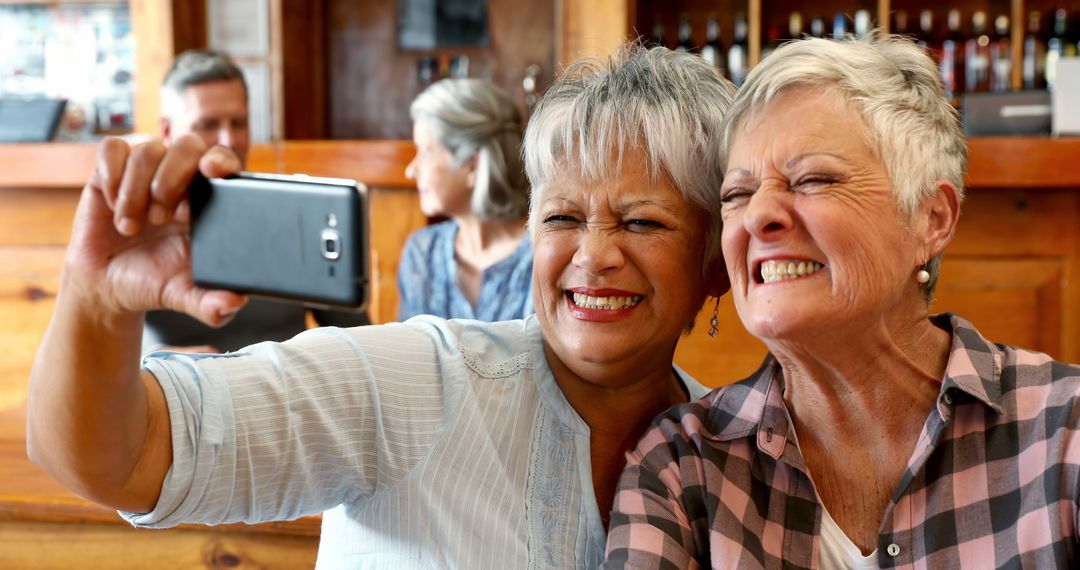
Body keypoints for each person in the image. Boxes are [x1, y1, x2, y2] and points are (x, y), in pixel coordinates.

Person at [26, 44, 734, 568]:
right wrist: (97, 299)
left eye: (642, 221)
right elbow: (118, 459)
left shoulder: (736, 455)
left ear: (715, 262)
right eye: (561, 219)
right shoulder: (417, 380)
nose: (594, 254)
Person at [603, 33, 1080, 569]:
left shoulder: (1065, 430)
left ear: (932, 218)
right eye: (737, 194)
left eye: (812, 179)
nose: (759, 215)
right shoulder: (680, 465)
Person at [146, 49, 367, 354]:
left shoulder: (295, 212)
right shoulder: (147, 223)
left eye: (238, 123)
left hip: (287, 395)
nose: (229, 139)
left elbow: (361, 341)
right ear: (168, 132)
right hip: (174, 395)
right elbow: (102, 343)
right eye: (207, 125)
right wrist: (154, 356)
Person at [398, 78, 533, 321]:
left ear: (472, 165)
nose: (411, 170)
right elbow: (406, 356)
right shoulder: (422, 253)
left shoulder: (543, 254)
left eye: (426, 152)